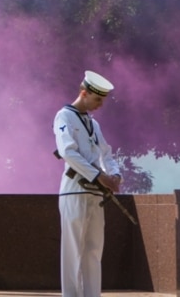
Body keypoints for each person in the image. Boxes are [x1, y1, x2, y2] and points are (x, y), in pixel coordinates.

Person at [55, 70, 122, 297]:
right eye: (97, 100)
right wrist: (99, 175)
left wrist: (115, 175)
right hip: (74, 192)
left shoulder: (94, 124)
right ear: (84, 93)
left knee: (93, 251)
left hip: (95, 194)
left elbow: (106, 153)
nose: (100, 105)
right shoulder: (64, 116)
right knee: (73, 252)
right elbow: (68, 152)